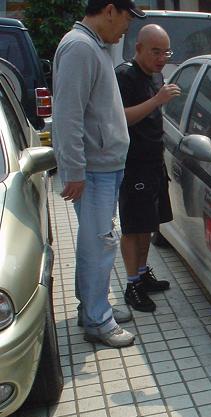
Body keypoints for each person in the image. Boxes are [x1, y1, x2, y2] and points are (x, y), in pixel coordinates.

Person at [52, 0, 145, 348]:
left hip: (104, 166)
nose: (126, 29)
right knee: (99, 244)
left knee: (95, 241)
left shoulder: (94, 46)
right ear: (109, 10)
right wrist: (74, 169)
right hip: (93, 171)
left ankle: (93, 307)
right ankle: (97, 320)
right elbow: (67, 115)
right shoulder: (80, 48)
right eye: (126, 19)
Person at [116, 24, 180, 312]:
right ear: (138, 48)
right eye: (156, 52)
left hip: (154, 161)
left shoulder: (156, 75)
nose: (162, 58)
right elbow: (121, 117)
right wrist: (157, 99)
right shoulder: (124, 76)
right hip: (133, 164)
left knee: (148, 225)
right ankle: (132, 285)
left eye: (166, 52)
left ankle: (142, 275)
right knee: (133, 227)